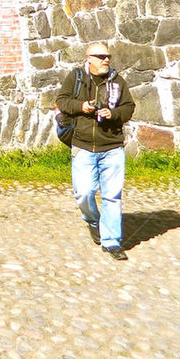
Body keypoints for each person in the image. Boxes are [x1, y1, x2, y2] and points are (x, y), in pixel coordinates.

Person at [56, 42, 136, 260]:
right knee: (84, 193)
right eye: (100, 56)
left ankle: (111, 242)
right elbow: (62, 101)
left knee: (112, 196)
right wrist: (82, 107)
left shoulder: (117, 81)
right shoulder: (77, 77)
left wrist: (114, 114)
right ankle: (93, 220)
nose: (106, 60)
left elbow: (129, 107)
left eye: (108, 56)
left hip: (111, 146)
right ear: (88, 58)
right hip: (82, 145)